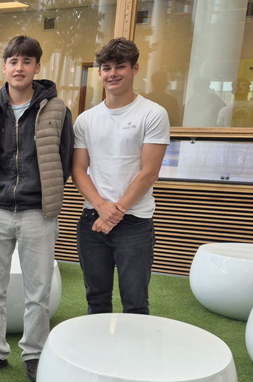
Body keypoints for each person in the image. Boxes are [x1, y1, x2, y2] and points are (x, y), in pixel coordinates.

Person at [0, 36, 73, 382]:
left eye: (27, 61)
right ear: (4, 67)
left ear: (37, 67)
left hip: (37, 213)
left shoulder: (57, 110)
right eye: (13, 61)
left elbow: (65, 158)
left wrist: (45, 193)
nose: (19, 68)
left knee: (38, 292)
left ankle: (34, 353)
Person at [71, 38, 170, 315]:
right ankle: (99, 345)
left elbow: (149, 172)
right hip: (92, 219)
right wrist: (102, 209)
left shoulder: (153, 114)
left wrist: (115, 213)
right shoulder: (86, 119)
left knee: (135, 302)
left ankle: (134, 346)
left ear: (135, 69)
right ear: (100, 73)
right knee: (96, 300)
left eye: (120, 66)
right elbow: (78, 170)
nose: (112, 73)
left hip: (135, 222)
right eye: (106, 68)